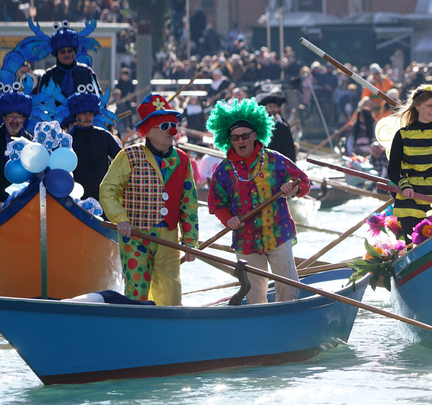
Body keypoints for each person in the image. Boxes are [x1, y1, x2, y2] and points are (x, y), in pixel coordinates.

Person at [206, 98, 311, 304]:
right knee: (254, 296)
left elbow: (304, 182)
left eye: (245, 136)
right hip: (246, 241)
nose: (241, 141)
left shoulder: (275, 159)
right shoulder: (223, 170)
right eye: (235, 138)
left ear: (255, 135)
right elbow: (217, 204)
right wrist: (228, 219)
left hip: (278, 234)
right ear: (228, 139)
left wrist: (292, 188)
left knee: (287, 292)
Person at [100, 94, 199, 305]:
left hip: (168, 239)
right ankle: (135, 331)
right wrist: (121, 219)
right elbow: (108, 190)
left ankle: (168, 332)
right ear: (149, 130)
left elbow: (188, 202)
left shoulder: (182, 159)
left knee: (170, 294)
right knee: (137, 294)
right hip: (135, 236)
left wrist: (190, 240)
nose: (171, 131)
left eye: (173, 125)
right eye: (164, 126)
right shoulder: (129, 156)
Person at [388, 84, 432, 239]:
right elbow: (393, 170)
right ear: (417, 106)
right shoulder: (402, 135)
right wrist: (404, 185)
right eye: (429, 106)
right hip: (410, 199)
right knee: (412, 246)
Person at [63, 93, 122, 201]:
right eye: (84, 113)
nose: (88, 117)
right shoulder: (68, 140)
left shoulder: (103, 135)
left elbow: (122, 158)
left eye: (90, 113)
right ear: (76, 115)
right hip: (79, 199)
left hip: (104, 197)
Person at [35, 22, 102, 99]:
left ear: (74, 52)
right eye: (62, 51)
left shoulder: (87, 73)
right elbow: (40, 104)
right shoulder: (48, 76)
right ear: (56, 55)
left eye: (69, 50)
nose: (67, 54)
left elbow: (99, 100)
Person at [260, 93, 297, 161]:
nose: (273, 109)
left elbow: (289, 149)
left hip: (281, 163)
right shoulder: (261, 127)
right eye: (270, 106)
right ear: (265, 108)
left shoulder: (284, 127)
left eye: (275, 106)